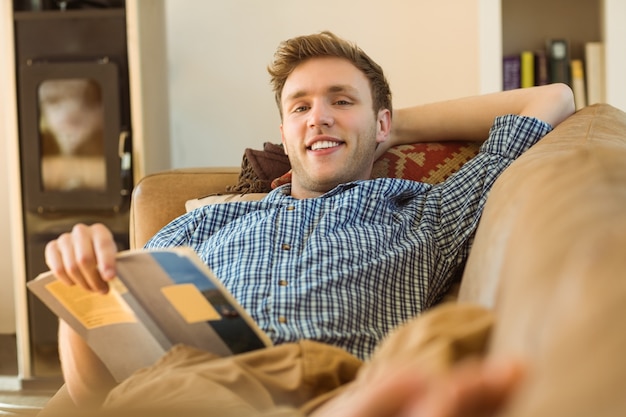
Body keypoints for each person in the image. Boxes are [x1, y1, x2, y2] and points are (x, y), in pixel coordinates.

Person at [44, 31, 575, 415]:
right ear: (283, 130)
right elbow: (94, 389)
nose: (317, 117)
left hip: (334, 380)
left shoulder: (424, 214)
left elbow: (552, 98)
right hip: (192, 391)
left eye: (340, 101)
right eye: (300, 108)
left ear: (382, 122)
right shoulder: (202, 225)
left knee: (450, 338)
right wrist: (80, 294)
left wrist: (384, 127)